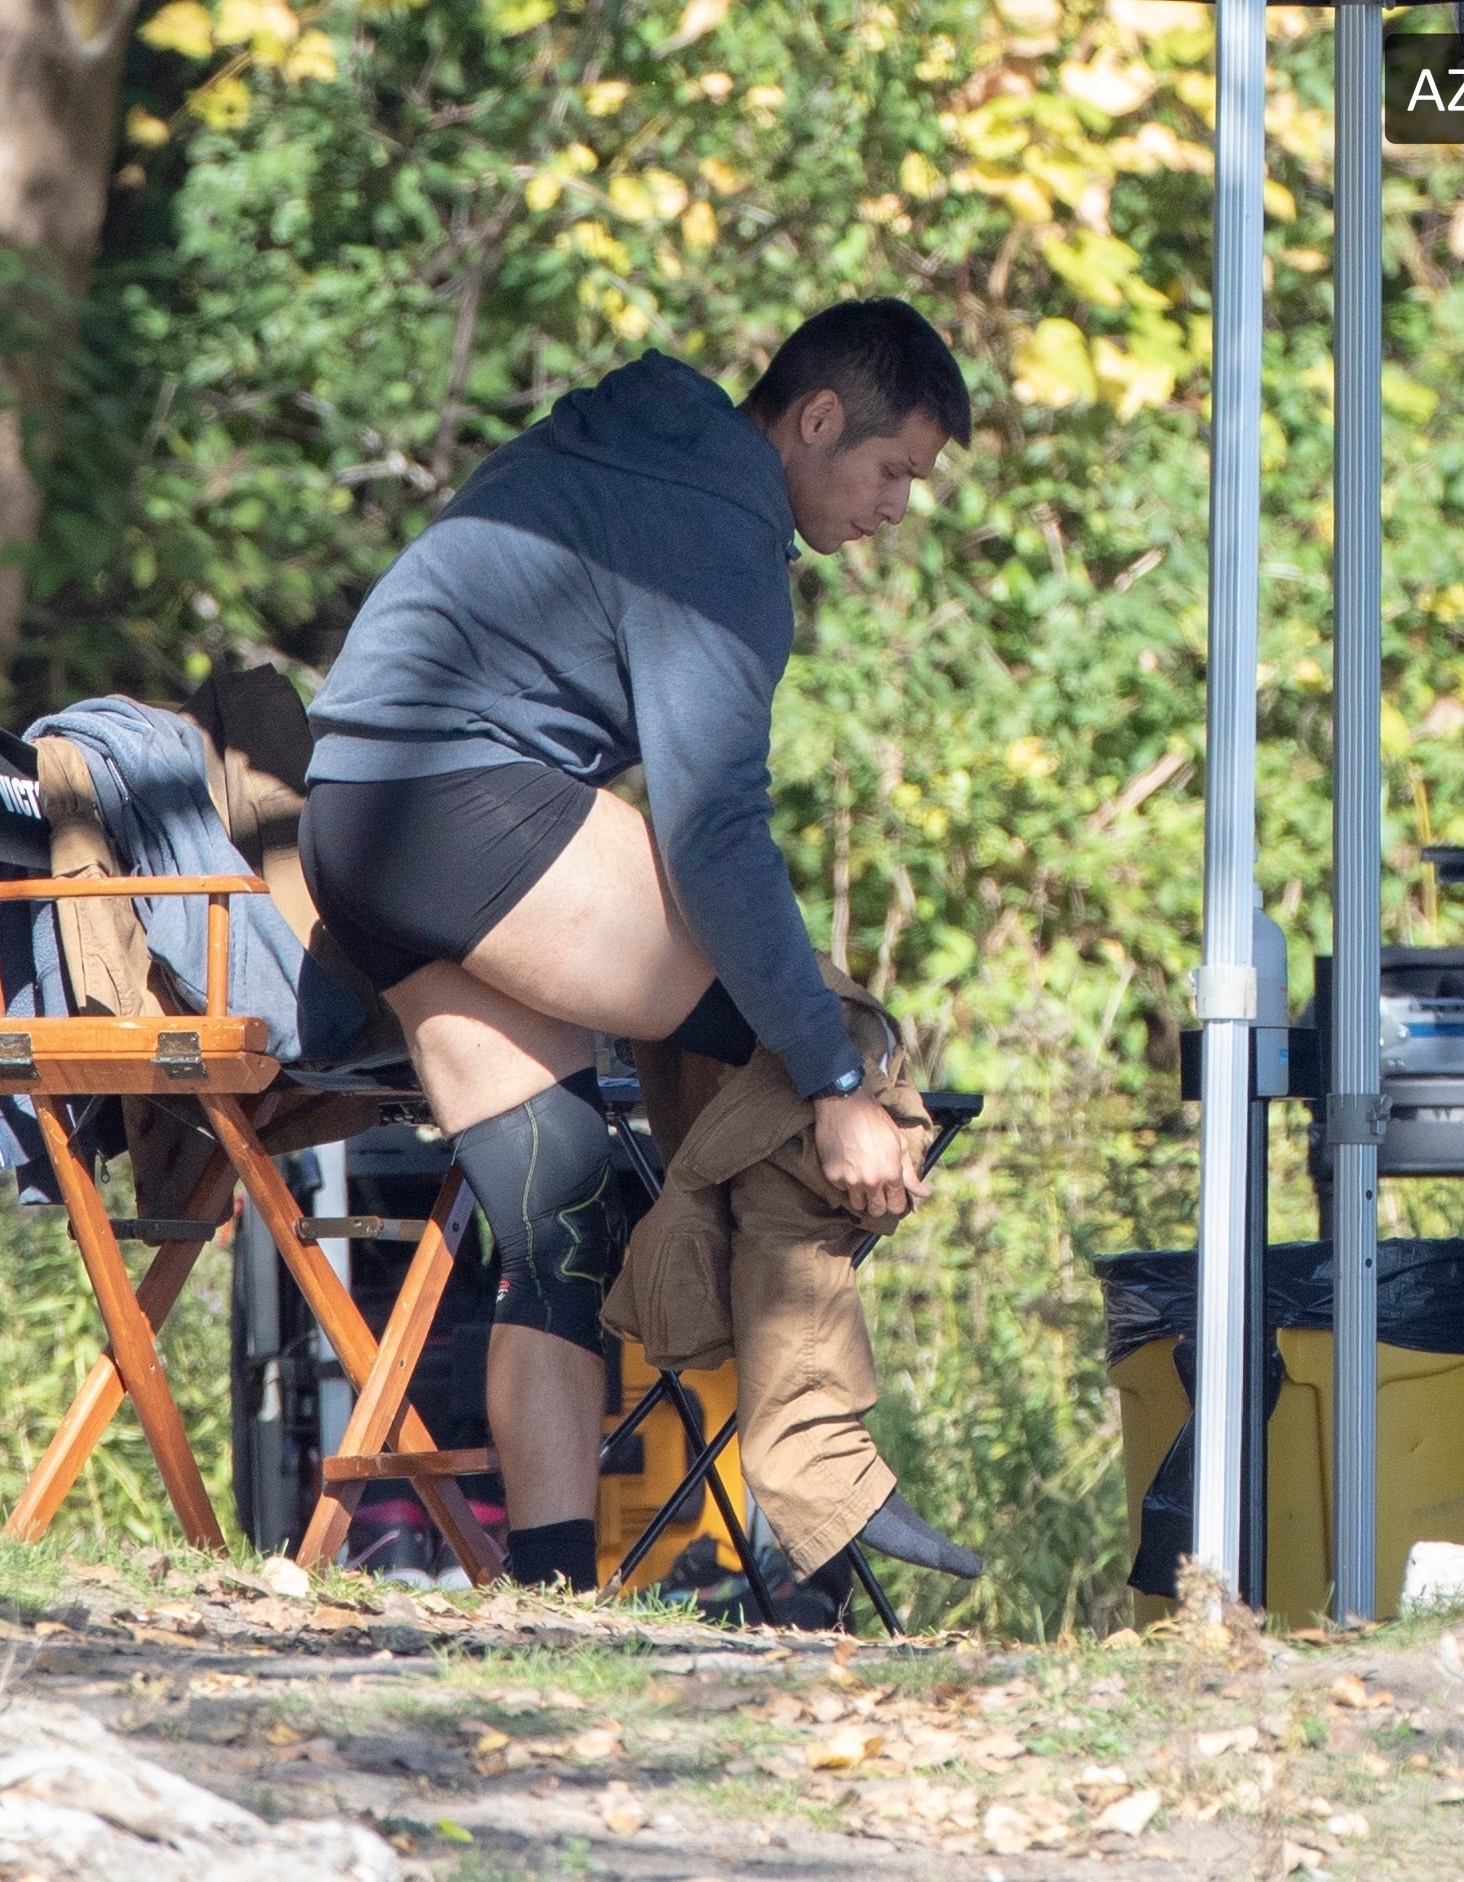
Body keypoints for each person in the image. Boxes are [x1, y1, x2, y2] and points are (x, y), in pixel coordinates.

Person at [299, 299, 978, 1590]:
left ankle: (553, 1593)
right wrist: (837, 1085)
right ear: (817, 419)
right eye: (893, 471)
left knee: (556, 1222)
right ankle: (819, 1486)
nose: (898, 508)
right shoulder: (720, 527)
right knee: (828, 1039)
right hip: (464, 809)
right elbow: (713, 829)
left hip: (355, 828)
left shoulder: (630, 455)